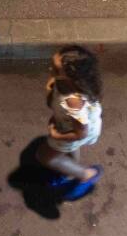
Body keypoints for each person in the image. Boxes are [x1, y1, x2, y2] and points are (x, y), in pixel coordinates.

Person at [35, 45, 104, 201]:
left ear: (72, 79)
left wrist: (55, 135)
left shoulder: (73, 102)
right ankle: (68, 169)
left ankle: (86, 175)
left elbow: (80, 133)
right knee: (70, 149)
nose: (50, 69)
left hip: (71, 132)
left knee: (45, 156)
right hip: (76, 127)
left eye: (55, 69)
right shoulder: (70, 84)